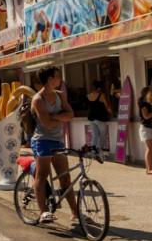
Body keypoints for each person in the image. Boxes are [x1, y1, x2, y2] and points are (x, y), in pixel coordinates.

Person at [30, 66, 81, 226]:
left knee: (65, 177)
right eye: (57, 76)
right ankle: (44, 211)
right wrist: (61, 117)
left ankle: (75, 213)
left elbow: (71, 115)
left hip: (58, 140)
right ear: (50, 79)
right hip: (42, 140)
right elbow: (46, 124)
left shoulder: (60, 95)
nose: (60, 79)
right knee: (42, 174)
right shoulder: (38, 99)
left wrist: (55, 116)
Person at [84, 84, 112, 158]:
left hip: (91, 118)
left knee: (94, 135)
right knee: (102, 135)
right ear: (99, 88)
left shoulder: (88, 96)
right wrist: (111, 112)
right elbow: (107, 106)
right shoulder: (101, 95)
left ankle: (93, 152)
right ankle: (100, 152)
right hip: (100, 117)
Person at [138, 87, 152, 175]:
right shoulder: (144, 104)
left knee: (151, 149)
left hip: (149, 128)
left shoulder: (147, 103)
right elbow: (146, 116)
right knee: (150, 149)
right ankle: (149, 168)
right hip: (146, 128)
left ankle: (150, 168)